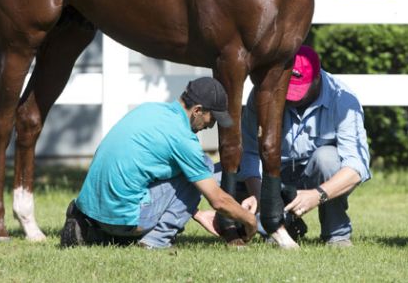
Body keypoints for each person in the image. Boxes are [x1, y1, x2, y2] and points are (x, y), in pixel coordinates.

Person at [59, 77, 257, 248]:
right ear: (197, 110)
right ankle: (156, 240)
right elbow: (218, 200)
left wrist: (196, 213)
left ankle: (93, 231)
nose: (211, 125)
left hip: (92, 209)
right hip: (125, 219)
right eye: (212, 118)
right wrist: (249, 220)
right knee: (203, 165)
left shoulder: (149, 110)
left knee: (188, 169)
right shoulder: (182, 138)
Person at [237, 45, 371, 247]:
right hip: (273, 175)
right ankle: (278, 226)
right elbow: (249, 152)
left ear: (317, 78)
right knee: (217, 177)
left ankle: (336, 233)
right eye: (287, 92)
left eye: (298, 91)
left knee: (328, 159)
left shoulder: (343, 99)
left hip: (315, 175)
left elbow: (357, 166)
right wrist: (259, 195)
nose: (290, 99)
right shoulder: (264, 93)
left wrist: (319, 194)